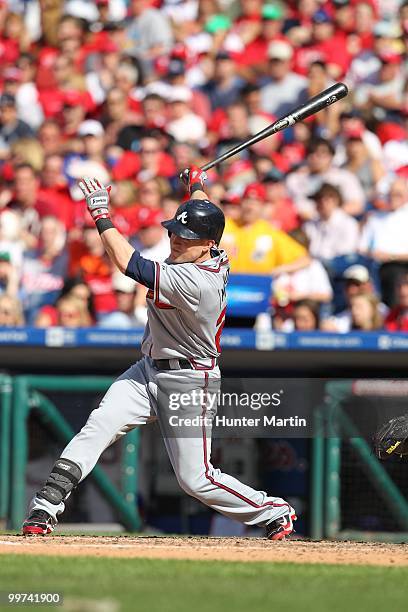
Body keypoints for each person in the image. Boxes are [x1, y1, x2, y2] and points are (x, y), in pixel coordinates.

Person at [22, 167, 296, 541]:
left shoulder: (197, 282)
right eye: (175, 231)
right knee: (96, 427)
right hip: (147, 370)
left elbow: (127, 263)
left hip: (189, 380)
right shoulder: (203, 248)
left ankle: (273, 510)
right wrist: (196, 184)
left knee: (195, 479)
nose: (177, 240)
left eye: (187, 236)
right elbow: (202, 211)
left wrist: (102, 214)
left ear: (209, 245)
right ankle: (44, 508)